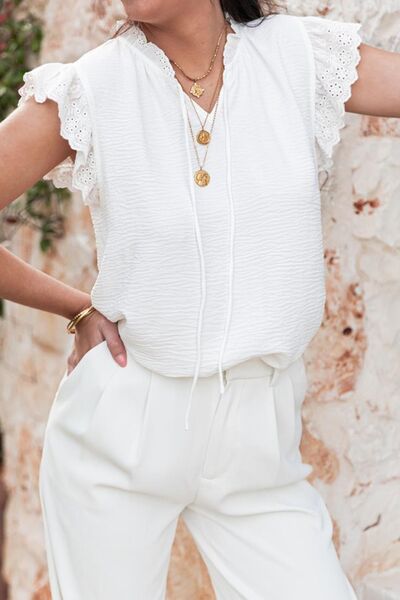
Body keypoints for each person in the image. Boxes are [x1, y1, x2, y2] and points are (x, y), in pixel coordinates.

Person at [0, 0, 399, 597]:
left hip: (259, 443)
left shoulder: (300, 57)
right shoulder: (89, 90)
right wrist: (73, 305)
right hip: (121, 431)